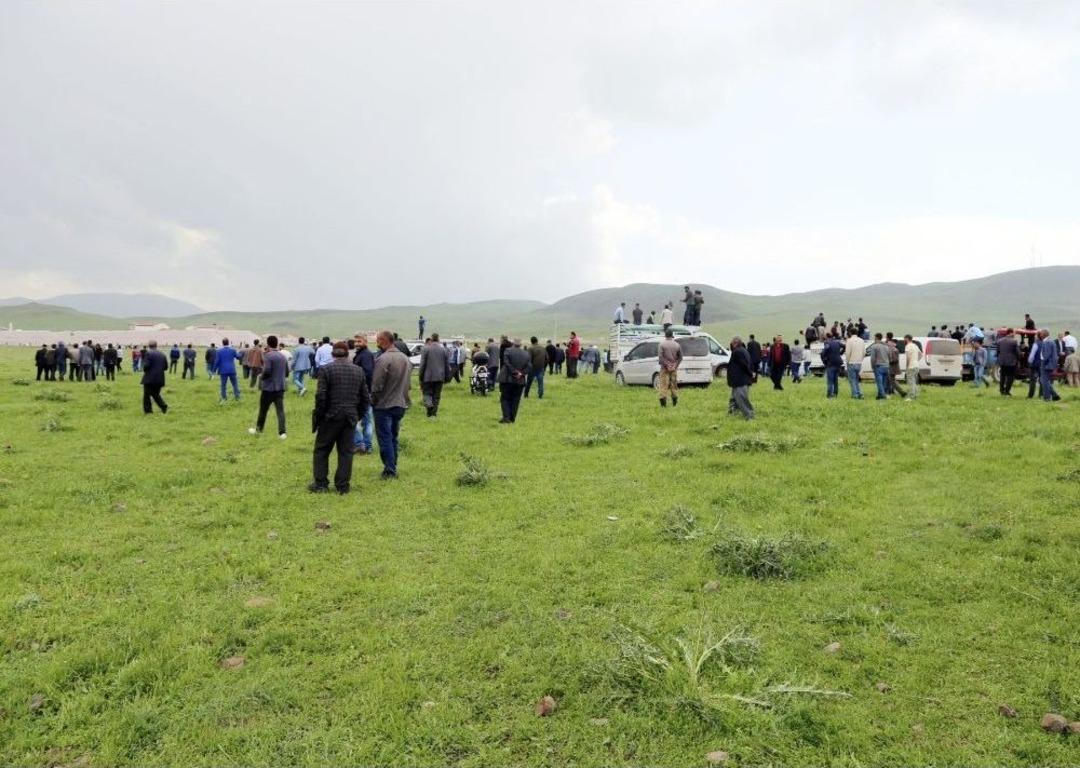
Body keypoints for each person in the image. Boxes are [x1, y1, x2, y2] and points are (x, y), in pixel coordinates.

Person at [310, 341, 370, 493]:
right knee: (346, 452)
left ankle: (321, 484)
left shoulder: (326, 369)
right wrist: (358, 415)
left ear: (332, 354)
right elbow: (365, 398)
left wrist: (320, 415)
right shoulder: (358, 371)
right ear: (347, 353)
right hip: (350, 417)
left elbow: (321, 396)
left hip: (330, 416)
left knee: (322, 450)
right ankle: (343, 486)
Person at [371, 330, 412, 479]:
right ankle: (393, 464)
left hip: (384, 405)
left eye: (378, 340)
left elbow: (376, 385)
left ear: (384, 340)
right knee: (393, 437)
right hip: (400, 403)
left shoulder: (383, 359)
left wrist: (373, 401)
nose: (377, 343)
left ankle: (389, 470)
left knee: (385, 438)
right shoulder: (405, 359)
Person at [246, 335, 288, 438]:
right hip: (280, 388)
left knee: (263, 410)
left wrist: (262, 377)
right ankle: (282, 433)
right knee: (280, 411)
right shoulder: (282, 356)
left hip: (268, 388)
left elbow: (267, 370)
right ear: (277, 343)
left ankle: (259, 430)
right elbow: (287, 372)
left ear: (268, 344)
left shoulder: (268, 356)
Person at [352, 336, 375, 454]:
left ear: (365, 342)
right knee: (365, 420)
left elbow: (368, 373)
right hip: (362, 393)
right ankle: (364, 445)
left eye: (359, 341)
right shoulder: (361, 354)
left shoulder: (365, 355)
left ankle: (363, 444)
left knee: (364, 420)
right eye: (355, 341)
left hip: (363, 394)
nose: (357, 343)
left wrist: (363, 389)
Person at [498, 338, 530, 424]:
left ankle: (506, 417)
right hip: (520, 381)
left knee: (505, 398)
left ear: (513, 344)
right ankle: (512, 418)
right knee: (516, 400)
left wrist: (514, 372)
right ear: (521, 344)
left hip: (507, 379)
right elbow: (529, 366)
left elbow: (506, 363)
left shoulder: (507, 351)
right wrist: (521, 373)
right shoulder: (526, 353)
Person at [418, 333, 449, 417]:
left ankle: (429, 406)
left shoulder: (426, 349)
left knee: (427, 393)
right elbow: (446, 365)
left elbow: (422, 365)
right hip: (440, 377)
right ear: (438, 339)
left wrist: (420, 376)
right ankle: (433, 414)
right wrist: (447, 377)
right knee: (436, 396)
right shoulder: (444, 350)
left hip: (427, 377)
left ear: (431, 339)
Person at [726, 336, 755, 420]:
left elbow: (744, 365)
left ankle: (749, 415)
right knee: (734, 397)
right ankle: (733, 411)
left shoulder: (737, 352)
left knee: (741, 398)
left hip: (740, 379)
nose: (731, 345)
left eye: (731, 343)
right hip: (739, 380)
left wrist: (750, 373)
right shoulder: (743, 350)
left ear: (735, 344)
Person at [140, 341, 169, 414]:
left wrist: (145, 369)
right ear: (156, 345)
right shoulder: (162, 354)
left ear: (149, 346)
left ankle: (148, 411)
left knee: (146, 395)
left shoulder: (148, 353)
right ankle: (163, 406)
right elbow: (166, 367)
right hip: (160, 378)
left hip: (150, 378)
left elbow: (146, 366)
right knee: (155, 394)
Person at [657, 328, 682, 407]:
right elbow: (680, 357)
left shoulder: (661, 344)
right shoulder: (677, 345)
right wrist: (675, 365)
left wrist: (667, 365)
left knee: (663, 386)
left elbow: (660, 357)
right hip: (674, 369)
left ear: (665, 335)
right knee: (673, 386)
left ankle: (663, 406)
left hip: (664, 369)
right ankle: (674, 404)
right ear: (672, 335)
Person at [214, 338, 243, 403]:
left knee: (223, 385)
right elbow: (238, 357)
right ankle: (237, 397)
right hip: (232, 370)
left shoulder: (219, 351)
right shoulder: (232, 350)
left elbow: (217, 361)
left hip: (223, 370)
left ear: (222, 343)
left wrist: (214, 370)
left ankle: (224, 398)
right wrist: (240, 352)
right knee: (235, 384)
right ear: (228, 342)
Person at [1037, 330, 1061, 402]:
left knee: (1044, 381)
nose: (1039, 335)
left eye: (1040, 334)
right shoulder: (1051, 341)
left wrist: (1043, 362)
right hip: (1050, 364)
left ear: (1044, 334)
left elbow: (1046, 355)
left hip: (1046, 364)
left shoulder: (1046, 342)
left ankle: (1047, 398)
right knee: (1044, 380)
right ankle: (1055, 396)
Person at [866, 333, 890, 399]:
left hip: (879, 366)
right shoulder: (886, 346)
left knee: (879, 383)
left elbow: (873, 358)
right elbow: (889, 356)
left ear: (876, 338)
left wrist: (872, 366)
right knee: (884, 382)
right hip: (886, 366)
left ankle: (883, 396)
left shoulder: (875, 346)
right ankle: (880, 395)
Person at [844, 329, 866, 399]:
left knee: (852, 380)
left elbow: (847, 353)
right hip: (859, 362)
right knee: (857, 379)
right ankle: (860, 394)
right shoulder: (862, 340)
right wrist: (860, 359)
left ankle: (855, 394)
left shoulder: (849, 341)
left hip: (851, 362)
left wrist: (847, 361)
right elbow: (864, 352)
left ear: (850, 333)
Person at [821, 332, 844, 398]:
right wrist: (840, 353)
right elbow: (844, 346)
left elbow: (824, 353)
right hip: (838, 363)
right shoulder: (837, 342)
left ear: (827, 337)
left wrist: (824, 360)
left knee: (830, 380)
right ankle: (835, 394)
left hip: (830, 363)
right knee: (835, 379)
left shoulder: (827, 343)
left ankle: (829, 395)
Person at [996, 329, 1019, 396]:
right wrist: (1019, 357)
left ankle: (1001, 390)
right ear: (1010, 333)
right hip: (1011, 362)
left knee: (1002, 376)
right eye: (1014, 333)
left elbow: (998, 352)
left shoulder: (999, 341)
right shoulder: (1014, 341)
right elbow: (1017, 352)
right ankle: (1007, 390)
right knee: (1010, 377)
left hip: (1002, 361)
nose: (1014, 335)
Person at [903, 335, 922, 400]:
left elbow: (908, 357)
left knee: (911, 382)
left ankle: (911, 397)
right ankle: (915, 395)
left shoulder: (908, 346)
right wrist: (916, 360)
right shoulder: (915, 345)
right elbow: (921, 354)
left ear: (907, 339)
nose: (904, 340)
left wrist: (907, 366)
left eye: (904, 339)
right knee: (914, 382)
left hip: (911, 366)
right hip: (916, 366)